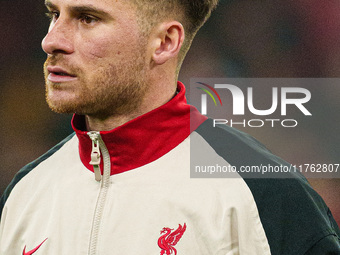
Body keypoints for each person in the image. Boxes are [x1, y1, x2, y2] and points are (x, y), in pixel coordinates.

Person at [0, 0, 339, 254]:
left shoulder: (266, 196)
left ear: (164, 42)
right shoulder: (24, 193)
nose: (51, 40)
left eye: (88, 19)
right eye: (53, 15)